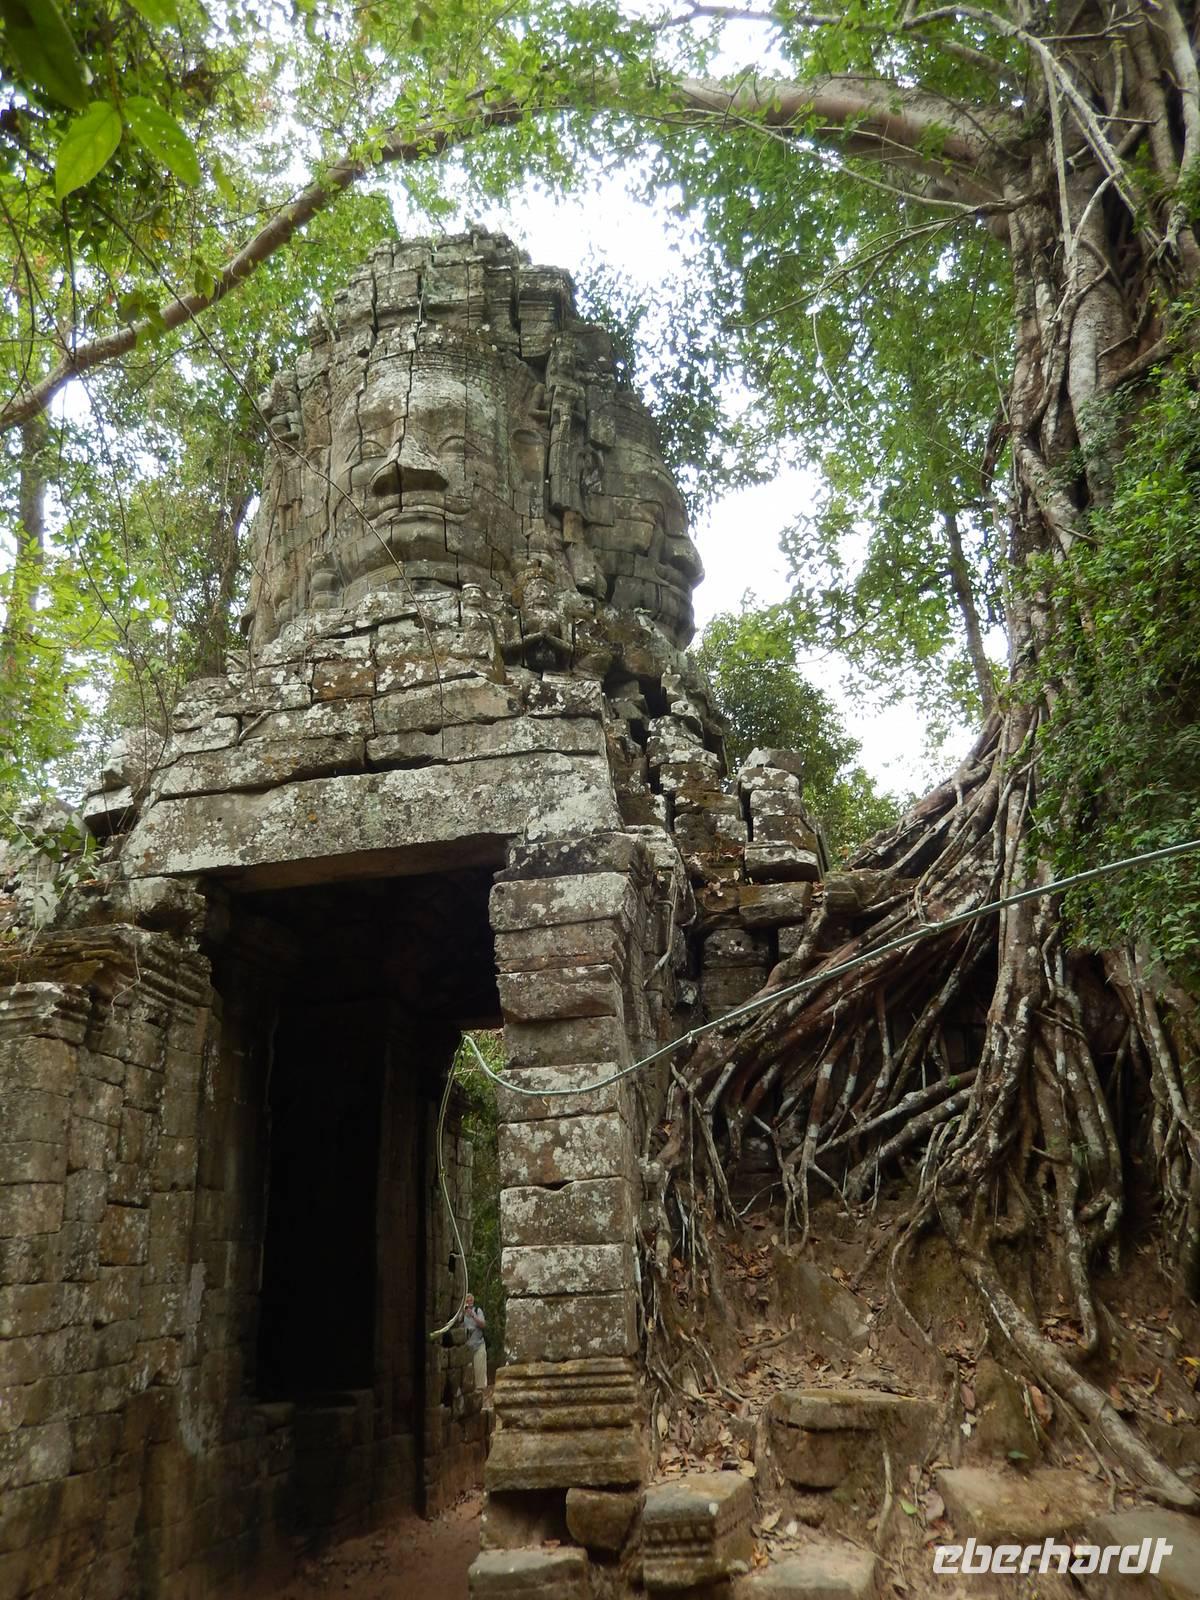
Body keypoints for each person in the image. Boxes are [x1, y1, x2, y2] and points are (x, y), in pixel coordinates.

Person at [462, 1293, 487, 1393]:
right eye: (467, 1301)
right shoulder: (461, 1314)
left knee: (480, 1374)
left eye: (471, 1300)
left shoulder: (478, 1311)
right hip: (467, 1348)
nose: (469, 1302)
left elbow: (483, 1324)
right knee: (467, 1376)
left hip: (478, 1345)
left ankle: (481, 1398)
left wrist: (473, 1315)